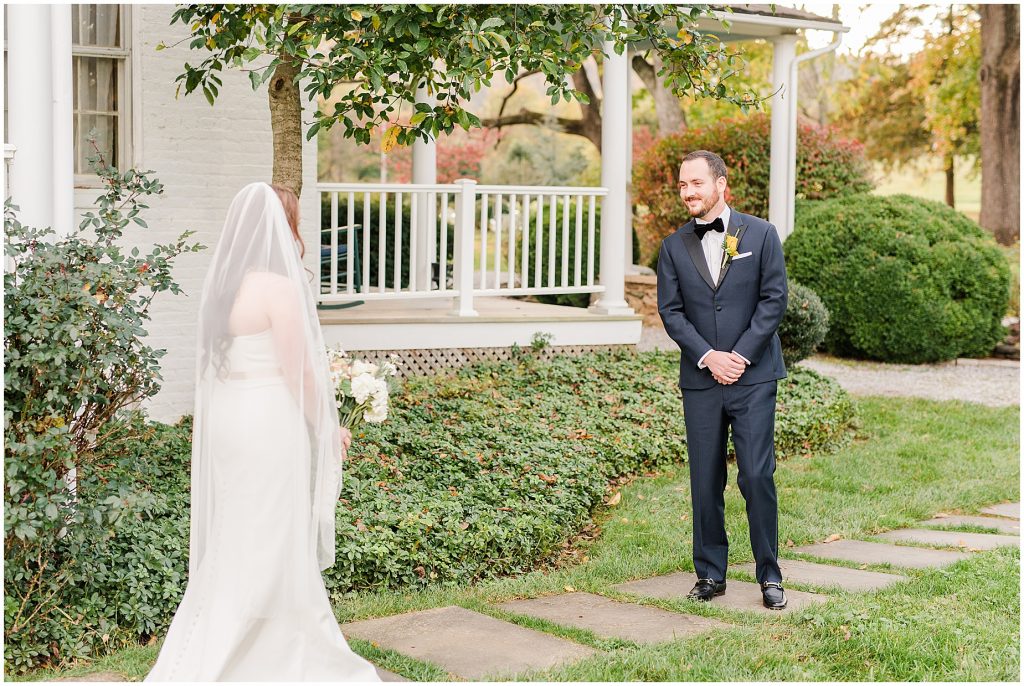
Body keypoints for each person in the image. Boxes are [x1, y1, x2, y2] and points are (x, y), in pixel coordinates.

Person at [146, 182, 381, 680]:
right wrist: (329, 428)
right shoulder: (277, 287)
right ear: (283, 224)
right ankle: (265, 647)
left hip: (231, 419)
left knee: (238, 529)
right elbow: (300, 373)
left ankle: (223, 635)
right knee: (273, 532)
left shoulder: (223, 286)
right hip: (269, 421)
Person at [656, 150, 789, 610]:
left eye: (696, 183)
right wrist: (709, 357)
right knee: (705, 479)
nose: (688, 192)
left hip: (753, 379)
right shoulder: (673, 246)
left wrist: (739, 357)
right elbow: (671, 313)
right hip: (702, 381)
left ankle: (770, 575)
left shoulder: (761, 234)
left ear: (720, 184)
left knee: (756, 475)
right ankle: (710, 575)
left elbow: (773, 300)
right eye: (682, 186)